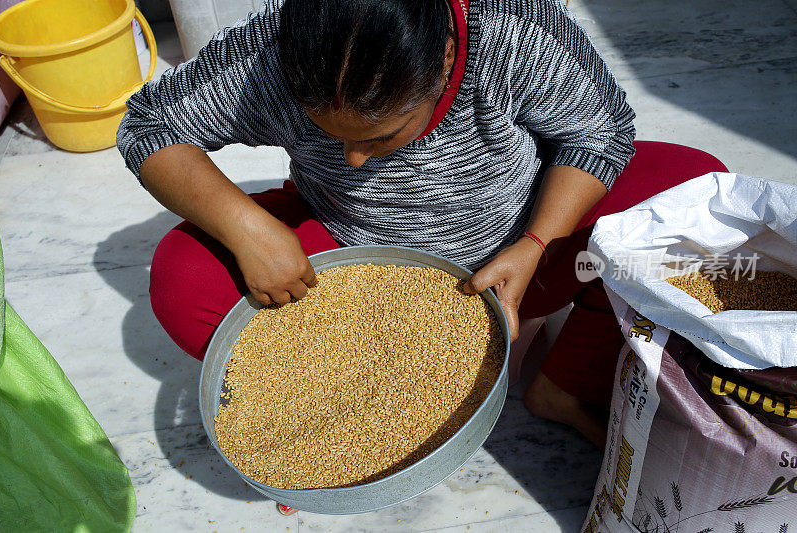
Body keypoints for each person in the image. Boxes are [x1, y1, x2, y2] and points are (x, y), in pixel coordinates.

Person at [116, 0, 726, 515]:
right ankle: (348, 389)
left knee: (696, 198)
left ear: (442, 62)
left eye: (380, 134)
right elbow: (147, 125)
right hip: (353, 270)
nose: (354, 159)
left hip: (514, 249)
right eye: (329, 132)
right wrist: (247, 227)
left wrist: (536, 244)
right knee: (185, 277)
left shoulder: (507, 27)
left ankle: (561, 388)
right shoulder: (275, 51)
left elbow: (601, 131)